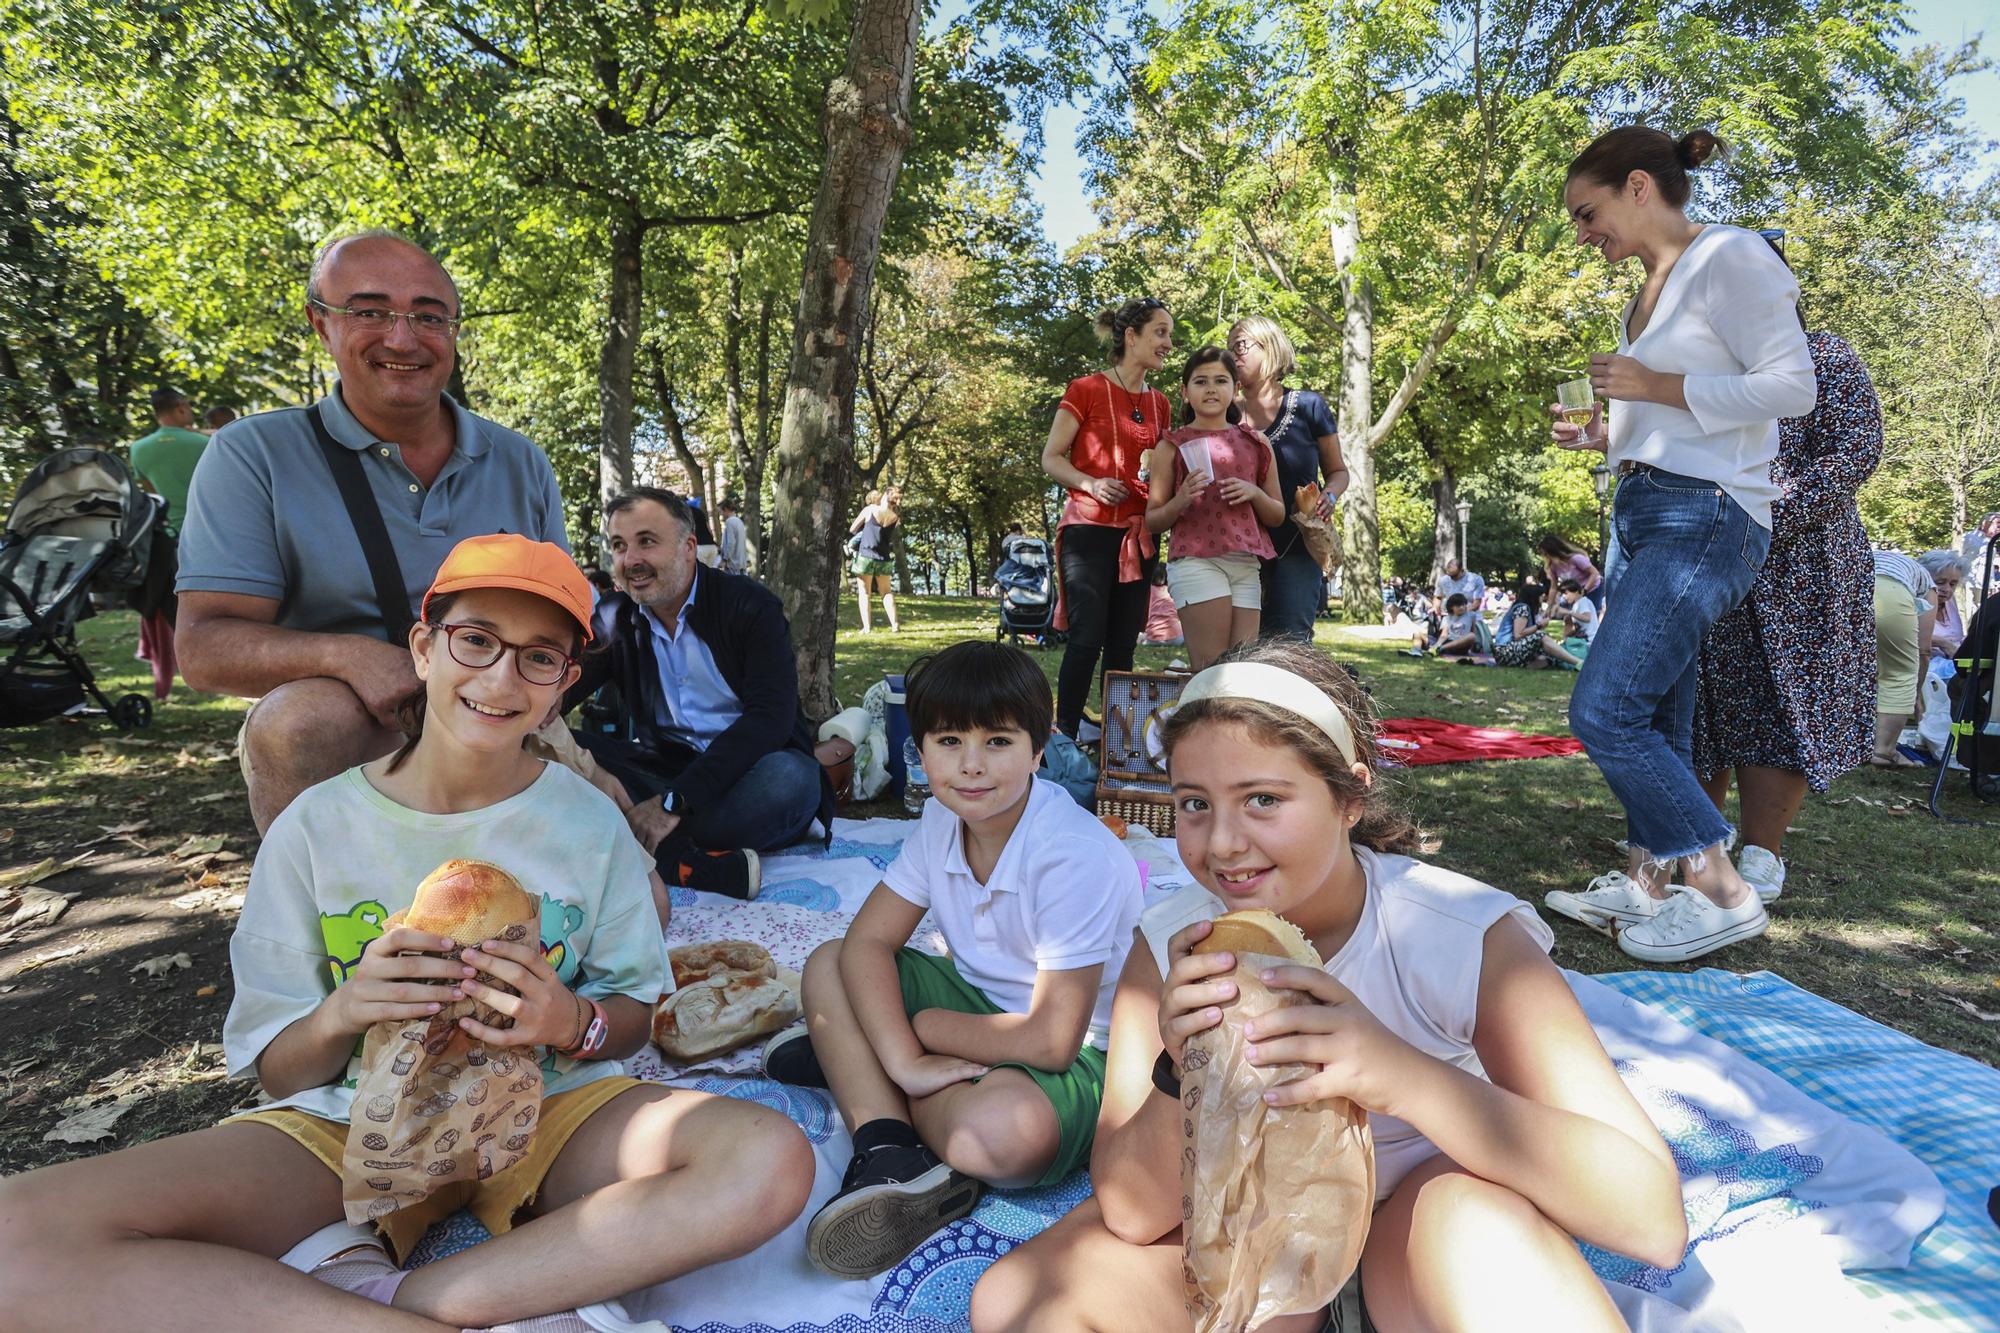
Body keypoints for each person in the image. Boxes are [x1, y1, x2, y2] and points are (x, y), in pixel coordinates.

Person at [0, 535, 814, 1333]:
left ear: (564, 683)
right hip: (344, 1120)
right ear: (425, 648)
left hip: (548, 1108)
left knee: (767, 1158)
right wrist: (346, 1008)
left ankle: (408, 1303)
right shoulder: (317, 825)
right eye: (476, 640)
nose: (501, 676)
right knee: (16, 1238)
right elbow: (282, 1069)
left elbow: (630, 1011)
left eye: (538, 656)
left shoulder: (589, 823)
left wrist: (571, 1021)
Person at [967, 640, 1685, 1333]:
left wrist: (1396, 1073)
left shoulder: (1461, 935)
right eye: (1194, 804)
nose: (1221, 844)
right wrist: (1177, 1069)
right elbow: (1129, 1211)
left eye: (1262, 799)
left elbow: (1652, 1219)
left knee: (1472, 1226)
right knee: (1013, 1300)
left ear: (1349, 798)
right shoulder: (1169, 950)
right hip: (1259, 1251)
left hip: (1421, 1240)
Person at [761, 641, 1142, 1279]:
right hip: (978, 1005)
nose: (970, 766)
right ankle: (888, 1145)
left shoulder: (1072, 854)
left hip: (1084, 1050)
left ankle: (856, 1065)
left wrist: (924, 1031)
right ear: (921, 748)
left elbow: (1051, 1041)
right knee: (828, 964)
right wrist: (909, 1062)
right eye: (948, 741)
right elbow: (866, 942)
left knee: (995, 1137)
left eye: (998, 742)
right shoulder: (941, 819)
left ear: (1039, 747)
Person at [175, 230, 569, 836]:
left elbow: (561, 632)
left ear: (455, 333)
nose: (402, 337)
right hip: (353, 726)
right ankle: (323, 915)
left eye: (428, 316)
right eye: (369, 311)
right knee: (297, 722)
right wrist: (351, 657)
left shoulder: (520, 462)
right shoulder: (253, 453)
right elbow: (202, 648)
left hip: (498, 711)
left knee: (642, 902)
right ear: (320, 322)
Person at [1545, 125, 1815, 963]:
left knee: (1604, 706)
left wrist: (1654, 385)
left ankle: (1722, 888)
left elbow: (1792, 385)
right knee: (1660, 712)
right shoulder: (1647, 287)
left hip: (1708, 516)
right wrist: (1608, 435)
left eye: (1587, 214)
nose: (1584, 235)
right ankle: (1645, 885)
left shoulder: (1729, 257)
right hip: (1648, 506)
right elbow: (1671, 415)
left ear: (1636, 186)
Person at [570, 488, 833, 905]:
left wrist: (673, 803)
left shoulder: (749, 607)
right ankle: (684, 863)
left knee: (792, 779)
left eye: (647, 542)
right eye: (619, 546)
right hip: (666, 771)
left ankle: (637, 838)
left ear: (689, 548)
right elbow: (556, 694)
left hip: (750, 777)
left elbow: (771, 720)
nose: (631, 560)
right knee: (554, 748)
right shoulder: (615, 616)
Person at [1693, 330, 1882, 900]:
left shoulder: (1821, 355)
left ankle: (1761, 854)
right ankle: (1699, 843)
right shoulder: (1694, 365)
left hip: (1803, 560)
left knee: (1781, 700)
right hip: (1706, 547)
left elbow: (1855, 449)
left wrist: (1765, 505)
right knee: (1702, 699)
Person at [1042, 297, 1174, 737]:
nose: (1168, 343)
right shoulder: (1086, 389)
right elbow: (1051, 458)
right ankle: (1062, 740)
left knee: (1122, 646)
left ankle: (1116, 751)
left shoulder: (1161, 404)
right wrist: (1091, 483)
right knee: (1085, 640)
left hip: (1138, 538)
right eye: (1160, 332)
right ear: (1131, 337)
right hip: (1088, 530)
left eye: (1169, 334)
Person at [1145, 347, 1285, 670]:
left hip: (1246, 565)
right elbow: (1153, 521)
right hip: (1196, 562)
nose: (1211, 388)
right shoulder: (1170, 446)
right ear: (1184, 391)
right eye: (1200, 381)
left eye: (1221, 380)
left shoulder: (1257, 443)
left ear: (1235, 389)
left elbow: (1277, 514)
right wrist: (1180, 499)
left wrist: (1253, 493)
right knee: (1211, 672)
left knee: (1241, 673)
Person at [1226, 315, 1347, 643]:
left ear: (1269, 348)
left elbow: (1338, 472)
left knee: (1290, 645)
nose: (1232, 355)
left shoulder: (1309, 406)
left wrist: (1330, 497)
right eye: (1229, 347)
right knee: (1236, 650)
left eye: (1240, 346)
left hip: (1295, 547)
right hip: (1235, 550)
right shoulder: (1222, 411)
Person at [1870, 548, 1936, 767]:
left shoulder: (1880, 556)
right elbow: (1924, 648)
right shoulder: (1927, 581)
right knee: (1900, 673)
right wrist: (1914, 695)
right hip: (1889, 593)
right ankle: (1884, 751)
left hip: (1848, 585)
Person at [129, 387, 211, 539]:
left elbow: (153, 493)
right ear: (181, 408)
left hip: (172, 533)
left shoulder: (137, 449)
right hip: (210, 528)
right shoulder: (207, 443)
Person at [849, 486, 902, 632]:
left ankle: (867, 627)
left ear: (885, 495)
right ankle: (895, 625)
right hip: (884, 558)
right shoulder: (894, 517)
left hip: (865, 556)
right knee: (886, 592)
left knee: (864, 593)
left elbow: (852, 529)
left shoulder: (870, 510)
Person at [1492, 587, 1580, 670]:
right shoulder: (1522, 608)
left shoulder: (1525, 608)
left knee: (1549, 657)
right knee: (1541, 636)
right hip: (1505, 651)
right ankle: (1578, 662)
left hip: (1509, 651)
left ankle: (1526, 666)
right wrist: (1539, 626)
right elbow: (1518, 634)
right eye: (1541, 596)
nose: (1543, 598)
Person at [1919, 550, 1969, 661]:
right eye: (1940, 582)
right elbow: (1905, 636)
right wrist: (1943, 643)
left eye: (1953, 584)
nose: (1947, 589)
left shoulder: (1950, 601)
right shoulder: (1914, 602)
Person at [1537, 536, 1603, 615]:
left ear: (1553, 552)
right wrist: (1549, 607)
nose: (1545, 558)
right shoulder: (1553, 567)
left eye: (1545, 554)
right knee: (1569, 618)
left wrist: (1584, 591)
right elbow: (1553, 587)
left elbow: (1595, 573)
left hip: (1593, 588)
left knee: (1590, 616)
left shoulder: (1575, 559)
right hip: (1576, 593)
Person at [1413, 592, 1480, 658]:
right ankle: (1417, 651)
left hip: (1460, 645)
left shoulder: (1471, 615)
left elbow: (1473, 631)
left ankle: (1440, 649)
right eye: (1458, 606)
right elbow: (1444, 635)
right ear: (1451, 607)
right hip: (1447, 641)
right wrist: (1437, 644)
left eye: (1463, 605)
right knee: (1417, 633)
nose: (1461, 607)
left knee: (1472, 636)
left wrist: (1471, 648)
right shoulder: (1447, 618)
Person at [718, 496, 748, 575]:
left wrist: (725, 559)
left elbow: (730, 543)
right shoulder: (739, 521)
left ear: (726, 509)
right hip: (741, 563)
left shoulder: (729, 522)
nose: (721, 515)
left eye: (721, 511)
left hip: (733, 564)